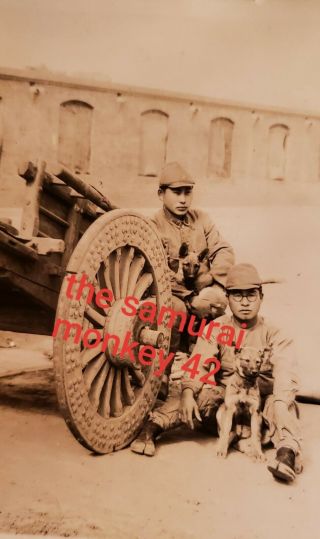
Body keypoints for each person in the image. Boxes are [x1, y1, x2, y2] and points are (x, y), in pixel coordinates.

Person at [131, 263, 303, 483]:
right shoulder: (217, 327)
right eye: (237, 295)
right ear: (228, 298)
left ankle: (286, 453)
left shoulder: (275, 334)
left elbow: (286, 375)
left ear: (261, 297)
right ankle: (153, 427)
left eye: (251, 295)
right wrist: (187, 392)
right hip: (228, 396)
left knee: (282, 404)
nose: (245, 302)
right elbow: (199, 363)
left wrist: (279, 402)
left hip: (261, 401)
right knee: (196, 395)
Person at [152, 161, 235, 396]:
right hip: (173, 294)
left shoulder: (202, 219)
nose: (183, 199)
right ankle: (162, 374)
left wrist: (211, 280)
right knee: (174, 311)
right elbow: (156, 271)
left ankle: (208, 370)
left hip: (203, 290)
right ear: (161, 194)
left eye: (187, 192)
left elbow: (223, 250)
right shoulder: (154, 225)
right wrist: (188, 296)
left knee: (216, 301)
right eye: (176, 192)